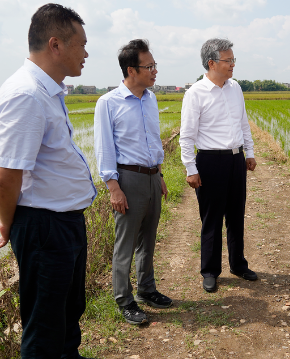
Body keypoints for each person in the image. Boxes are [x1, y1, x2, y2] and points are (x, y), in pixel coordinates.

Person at [0, 4, 96, 358]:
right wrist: (8, 221)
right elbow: (5, 179)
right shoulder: (26, 95)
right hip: (45, 228)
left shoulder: (47, 90)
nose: (86, 53)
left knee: (66, 318)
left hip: (62, 224)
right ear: (56, 45)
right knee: (45, 330)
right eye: (81, 44)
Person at [94, 39, 172, 325]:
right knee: (125, 244)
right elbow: (104, 149)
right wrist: (114, 188)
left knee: (148, 240)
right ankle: (124, 300)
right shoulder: (109, 103)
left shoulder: (150, 99)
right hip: (127, 179)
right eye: (148, 66)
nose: (154, 71)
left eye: (155, 66)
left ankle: (146, 290)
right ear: (131, 70)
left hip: (152, 177)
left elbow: (153, 140)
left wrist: (160, 174)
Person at [179, 38, 257, 293]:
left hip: (235, 159)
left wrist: (249, 152)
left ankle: (238, 264)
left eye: (234, 59)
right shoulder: (195, 93)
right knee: (211, 219)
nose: (233, 64)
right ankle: (210, 271)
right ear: (212, 63)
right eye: (228, 60)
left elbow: (243, 123)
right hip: (210, 161)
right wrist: (191, 168)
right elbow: (187, 135)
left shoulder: (235, 88)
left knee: (236, 215)